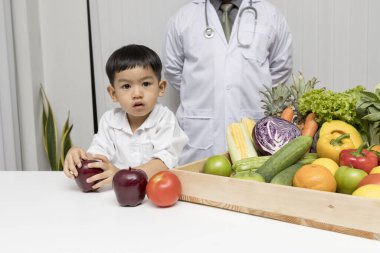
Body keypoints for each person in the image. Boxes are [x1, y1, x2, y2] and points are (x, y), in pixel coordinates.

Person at [163, 0, 293, 164]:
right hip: (200, 131)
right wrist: (205, 90)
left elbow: (280, 69)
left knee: (249, 183)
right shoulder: (183, 17)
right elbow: (173, 70)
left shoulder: (271, 16)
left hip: (251, 121)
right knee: (196, 182)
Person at [63, 44, 188, 189]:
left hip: (157, 192)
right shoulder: (110, 120)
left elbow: (164, 161)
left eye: (146, 84)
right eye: (126, 86)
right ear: (113, 93)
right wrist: (79, 156)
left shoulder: (165, 118)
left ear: (160, 88)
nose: (137, 94)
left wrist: (120, 175)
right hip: (118, 196)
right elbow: (99, 155)